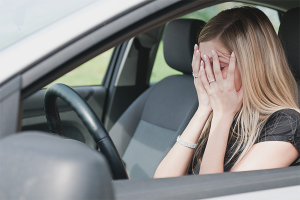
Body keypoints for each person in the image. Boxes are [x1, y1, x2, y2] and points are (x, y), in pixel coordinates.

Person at [154, 6, 300, 178]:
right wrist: (203, 109)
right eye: (203, 64)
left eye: (218, 66)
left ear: (252, 68)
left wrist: (223, 116)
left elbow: (212, 192)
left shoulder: (287, 124)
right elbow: (162, 181)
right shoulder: (219, 108)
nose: (208, 75)